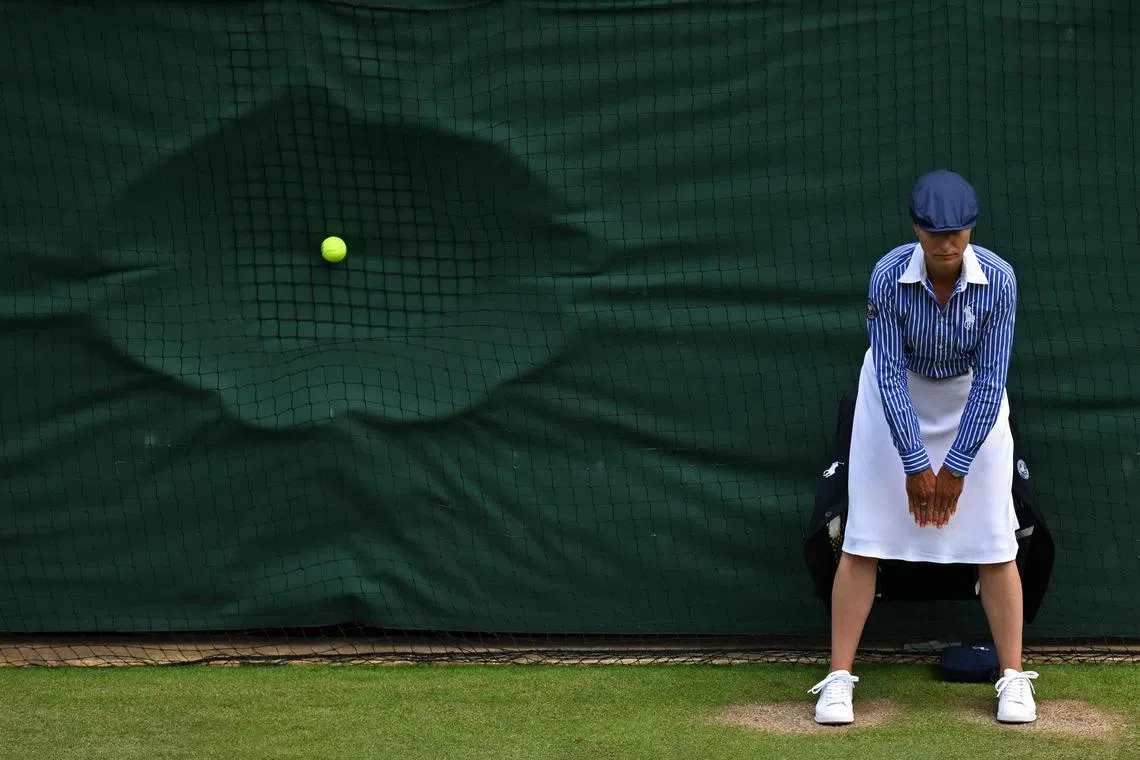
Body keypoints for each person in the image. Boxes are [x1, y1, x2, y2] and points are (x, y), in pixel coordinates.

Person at [809, 170, 1039, 725]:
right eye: (935, 231)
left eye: (957, 231)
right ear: (917, 227)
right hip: (894, 397)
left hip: (971, 400)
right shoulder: (888, 275)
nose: (946, 242)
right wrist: (916, 465)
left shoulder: (1001, 281)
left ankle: (1012, 678)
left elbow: (991, 378)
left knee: (995, 538)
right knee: (864, 535)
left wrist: (954, 467)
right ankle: (838, 679)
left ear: (971, 229)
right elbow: (887, 371)